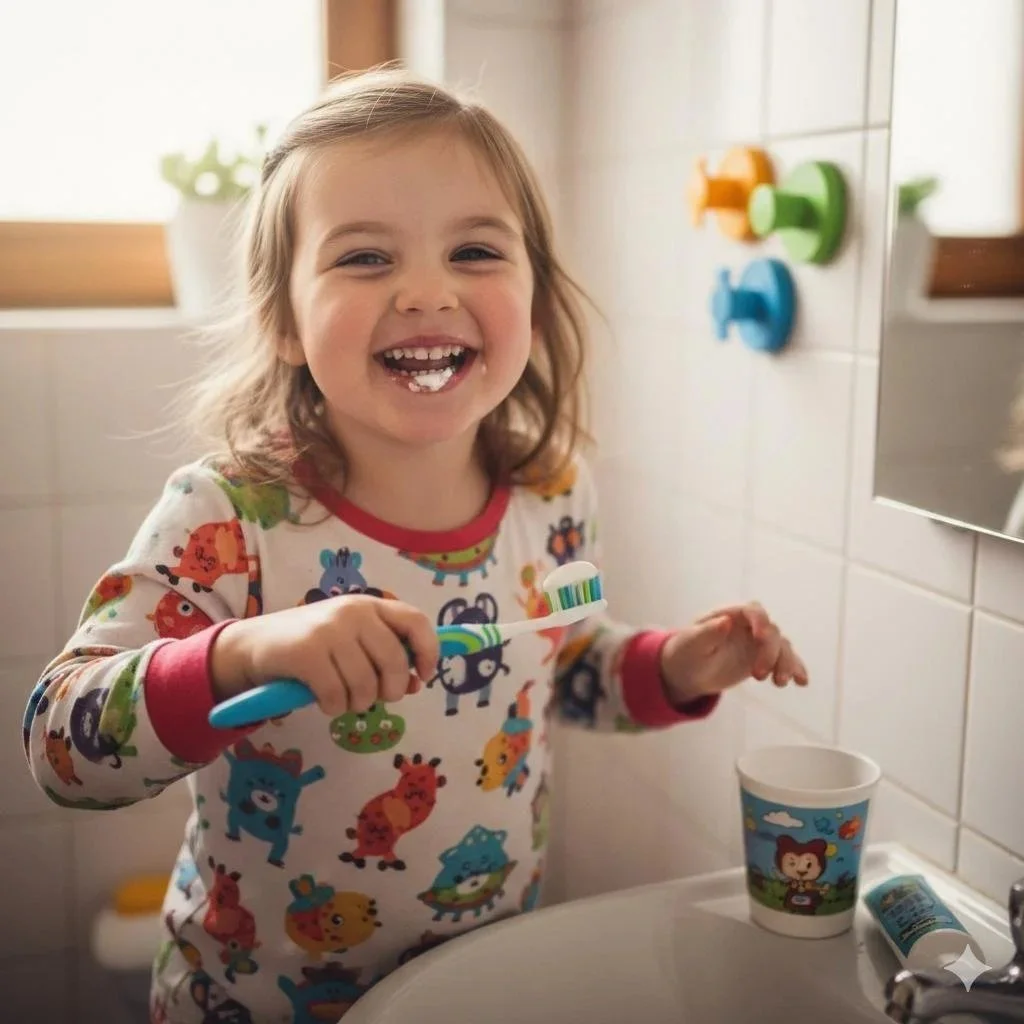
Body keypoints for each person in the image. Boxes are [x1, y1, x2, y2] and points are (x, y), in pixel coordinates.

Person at [23, 68, 808, 1024]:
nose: (427, 291)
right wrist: (244, 653)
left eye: (475, 250)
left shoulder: (554, 497)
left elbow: (557, 664)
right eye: (363, 259)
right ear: (282, 318)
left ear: (535, 293)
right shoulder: (230, 517)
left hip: (479, 993)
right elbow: (62, 747)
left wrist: (676, 664)